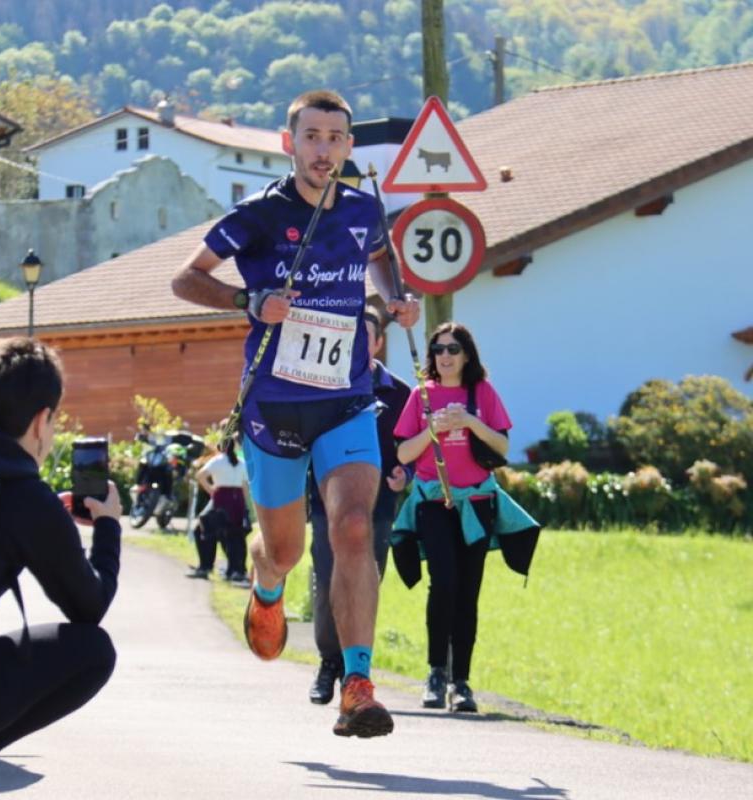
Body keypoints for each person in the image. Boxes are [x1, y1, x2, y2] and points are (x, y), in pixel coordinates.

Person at [172, 89, 419, 738]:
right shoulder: (258, 215)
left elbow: (381, 259)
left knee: (357, 528)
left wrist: (398, 299)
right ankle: (268, 582)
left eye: (337, 138)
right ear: (291, 143)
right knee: (287, 548)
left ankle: (358, 684)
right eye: (312, 136)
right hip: (276, 406)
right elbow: (184, 278)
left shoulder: (365, 210)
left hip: (346, 400)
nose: (324, 149)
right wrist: (247, 301)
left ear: (346, 147)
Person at [0, 337, 122, 799]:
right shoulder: (25, 496)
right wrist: (107, 528)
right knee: (92, 651)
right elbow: (88, 607)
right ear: (42, 419)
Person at [393, 322, 539, 714]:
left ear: (467, 355)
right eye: (438, 349)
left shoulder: (483, 393)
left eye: (453, 349)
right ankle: (436, 673)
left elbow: (503, 446)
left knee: (467, 592)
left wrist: (470, 422)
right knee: (443, 584)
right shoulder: (421, 396)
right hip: (434, 503)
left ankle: (462, 682)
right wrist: (433, 430)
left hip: (477, 504)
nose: (445, 356)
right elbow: (404, 454)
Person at [307, 308, 411, 705]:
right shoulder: (324, 388)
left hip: (379, 508)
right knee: (326, 581)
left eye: (365, 337)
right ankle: (328, 665)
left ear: (379, 342)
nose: (357, 344)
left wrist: (407, 474)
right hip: (326, 502)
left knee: (365, 584)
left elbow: (412, 448)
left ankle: (356, 672)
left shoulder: (400, 394)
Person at [189, 433, 251, 582]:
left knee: (202, 530)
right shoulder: (241, 463)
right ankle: (236, 570)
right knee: (235, 536)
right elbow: (245, 488)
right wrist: (245, 508)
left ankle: (205, 566)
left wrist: (211, 489)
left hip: (221, 499)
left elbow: (200, 475)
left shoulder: (217, 461)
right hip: (237, 502)